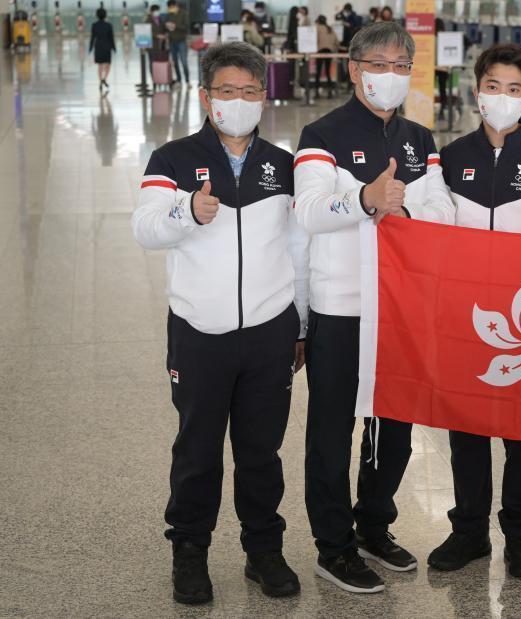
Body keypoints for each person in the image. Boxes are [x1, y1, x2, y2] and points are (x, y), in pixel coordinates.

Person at [131, 41, 309, 605]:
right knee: (198, 449)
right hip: (198, 332)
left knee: (261, 450)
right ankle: (189, 551)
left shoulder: (282, 165)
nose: (239, 101)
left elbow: (299, 249)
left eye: (250, 92)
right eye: (227, 92)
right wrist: (187, 212)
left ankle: (263, 550)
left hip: (268, 331)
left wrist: (299, 324)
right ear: (207, 98)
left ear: (265, 96)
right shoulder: (174, 159)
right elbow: (146, 227)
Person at [292, 21, 454, 594]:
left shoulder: (420, 140)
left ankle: (374, 524)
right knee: (332, 429)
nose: (391, 75)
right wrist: (364, 199)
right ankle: (333, 545)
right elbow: (308, 210)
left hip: (403, 306)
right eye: (379, 64)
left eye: (401, 66)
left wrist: (405, 215)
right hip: (342, 306)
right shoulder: (322, 133)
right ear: (354, 68)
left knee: (395, 426)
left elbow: (443, 211)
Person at [426, 43, 521, 580]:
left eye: (514, 89)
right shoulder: (451, 157)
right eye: (494, 86)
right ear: (477, 91)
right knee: (466, 428)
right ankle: (468, 530)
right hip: (468, 317)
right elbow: (433, 228)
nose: (502, 97)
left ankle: (520, 534)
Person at [89, 8, 116, 93]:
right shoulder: (109, 25)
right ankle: (105, 79)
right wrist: (114, 48)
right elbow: (111, 38)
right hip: (107, 46)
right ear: (105, 15)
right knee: (108, 64)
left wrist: (90, 48)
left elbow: (93, 37)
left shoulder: (94, 25)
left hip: (98, 46)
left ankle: (101, 80)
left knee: (100, 65)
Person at [164, 0, 190, 87]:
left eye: (172, 7)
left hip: (181, 41)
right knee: (175, 62)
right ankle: (179, 80)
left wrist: (176, 26)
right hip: (172, 42)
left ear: (176, 6)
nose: (171, 9)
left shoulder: (183, 14)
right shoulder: (169, 15)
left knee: (184, 62)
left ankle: (187, 81)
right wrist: (167, 26)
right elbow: (165, 25)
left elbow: (186, 27)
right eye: (169, 8)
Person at [314, 15, 339, 97]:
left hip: (320, 51)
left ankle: (317, 92)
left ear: (318, 21)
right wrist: (333, 49)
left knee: (318, 72)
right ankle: (330, 92)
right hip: (329, 52)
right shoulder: (330, 28)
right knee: (328, 72)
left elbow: (315, 39)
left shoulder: (317, 28)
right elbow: (336, 41)